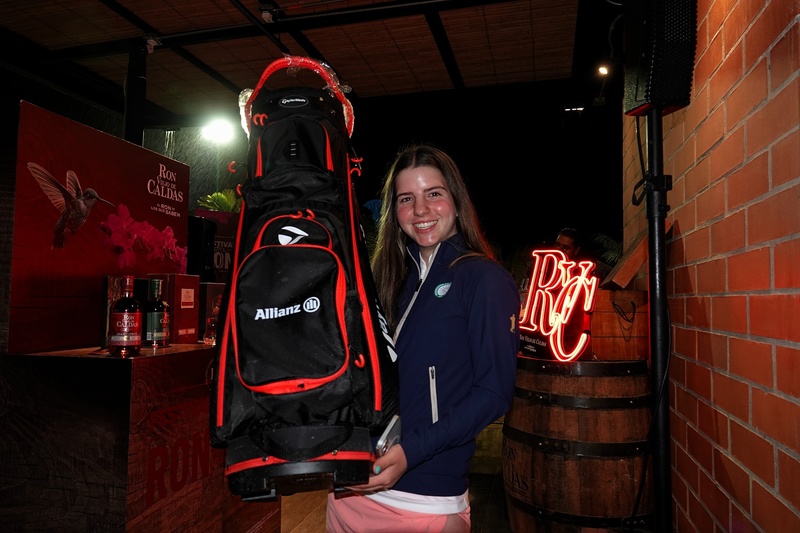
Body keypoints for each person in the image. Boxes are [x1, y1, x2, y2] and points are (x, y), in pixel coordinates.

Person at [326, 145, 520, 532]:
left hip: (426, 500)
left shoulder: (484, 279)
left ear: (456, 200)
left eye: (433, 193)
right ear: (394, 211)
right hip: (350, 492)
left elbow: (494, 393)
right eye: (406, 199)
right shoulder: (389, 280)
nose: (420, 210)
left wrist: (410, 452)